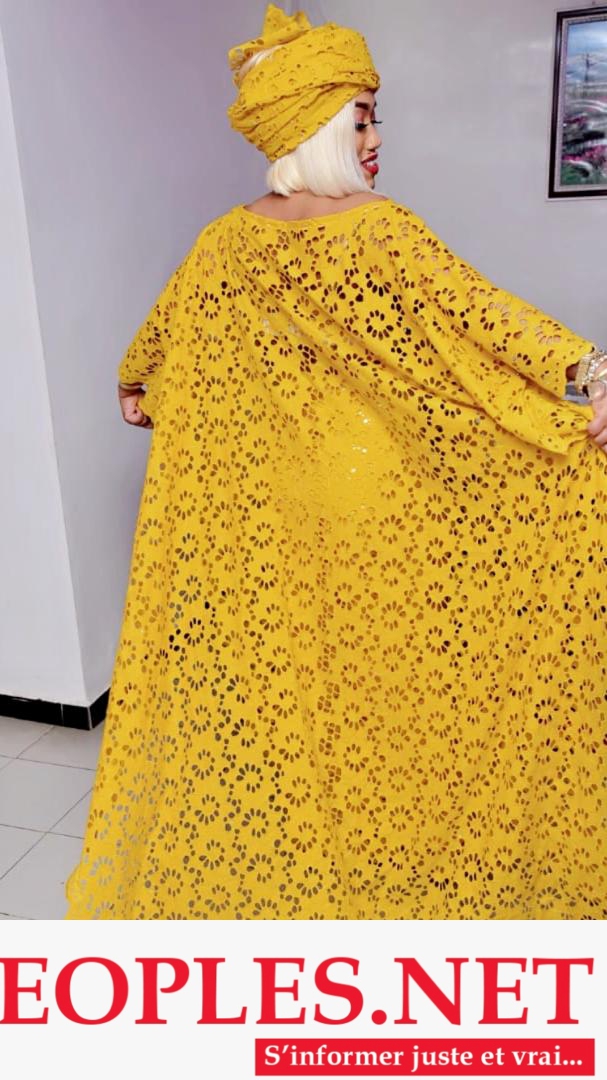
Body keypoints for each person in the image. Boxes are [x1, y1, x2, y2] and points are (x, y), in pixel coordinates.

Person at [65, 3, 607, 920]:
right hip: (372, 500)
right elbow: (483, 312)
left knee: (303, 685)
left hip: (273, 511)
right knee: (386, 683)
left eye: (372, 119)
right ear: (313, 126)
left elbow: (156, 339)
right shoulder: (379, 231)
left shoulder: (223, 243)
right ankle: (389, 857)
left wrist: (131, 383)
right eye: (359, 120)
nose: (374, 138)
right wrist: (588, 369)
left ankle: (321, 857)